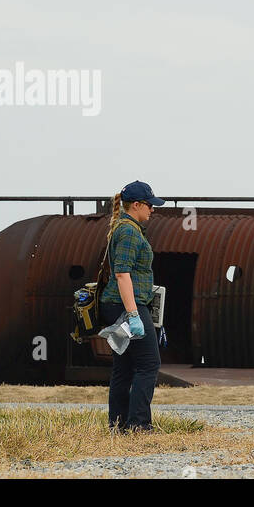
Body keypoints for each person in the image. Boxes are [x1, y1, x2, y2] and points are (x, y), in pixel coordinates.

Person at [99, 181, 165, 433]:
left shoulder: (128, 228)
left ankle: (118, 425)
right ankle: (139, 424)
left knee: (124, 367)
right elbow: (122, 274)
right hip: (127, 306)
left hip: (121, 305)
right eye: (149, 204)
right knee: (148, 364)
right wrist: (134, 314)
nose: (152, 209)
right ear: (136, 205)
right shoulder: (128, 231)